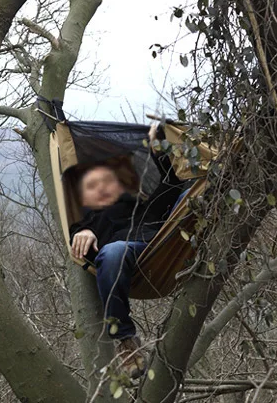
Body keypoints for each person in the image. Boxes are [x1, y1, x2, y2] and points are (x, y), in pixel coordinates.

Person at [69, 123, 185, 378]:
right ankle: (125, 340)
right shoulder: (90, 221)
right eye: (92, 185)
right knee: (112, 252)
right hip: (125, 253)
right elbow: (85, 247)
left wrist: (159, 147)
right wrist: (83, 232)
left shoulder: (143, 203)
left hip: (165, 245)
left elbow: (174, 185)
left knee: (191, 192)